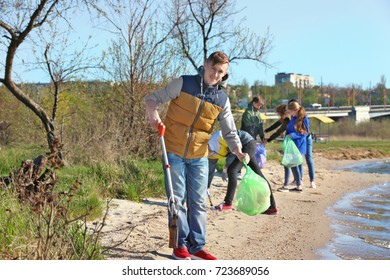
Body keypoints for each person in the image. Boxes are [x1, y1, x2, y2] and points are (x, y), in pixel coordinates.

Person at [144, 51, 249, 261]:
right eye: (213, 69)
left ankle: (196, 246)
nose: (216, 75)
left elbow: (229, 130)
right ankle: (179, 246)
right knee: (177, 199)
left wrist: (238, 150)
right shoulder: (183, 83)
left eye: (221, 72)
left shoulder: (221, 98)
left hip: (199, 154)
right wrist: (153, 114)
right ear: (205, 65)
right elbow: (153, 98)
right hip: (173, 149)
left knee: (199, 201)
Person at [208, 130, 278, 214]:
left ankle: (227, 203)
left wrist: (226, 168)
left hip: (247, 144)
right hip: (245, 146)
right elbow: (211, 169)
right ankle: (272, 207)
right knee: (258, 175)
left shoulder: (217, 138)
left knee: (232, 170)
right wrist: (207, 186)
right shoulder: (210, 152)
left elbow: (233, 149)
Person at [278, 101, 309, 192]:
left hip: (298, 145)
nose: (290, 113)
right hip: (290, 144)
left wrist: (293, 135)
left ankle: (297, 185)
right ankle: (291, 185)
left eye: (291, 111)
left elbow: (305, 133)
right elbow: (289, 129)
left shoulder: (304, 118)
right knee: (288, 164)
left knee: (293, 164)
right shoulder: (293, 118)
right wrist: (286, 137)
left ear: (295, 110)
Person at [263, 104, 291, 191]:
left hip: (291, 142)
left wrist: (269, 139)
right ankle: (297, 182)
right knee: (292, 164)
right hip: (291, 141)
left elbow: (279, 131)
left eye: (279, 114)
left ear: (283, 113)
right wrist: (265, 130)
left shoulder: (287, 120)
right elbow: (275, 126)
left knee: (287, 163)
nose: (279, 116)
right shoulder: (285, 118)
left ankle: (287, 185)